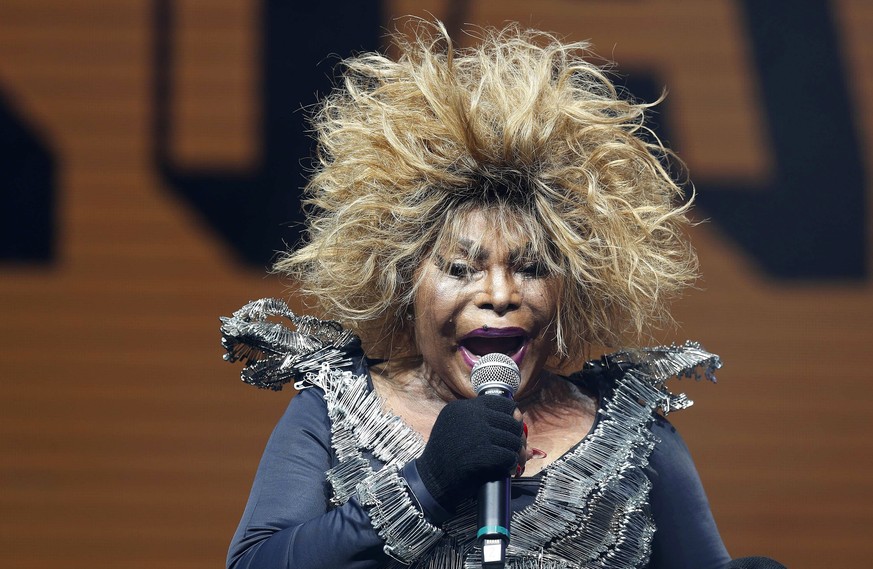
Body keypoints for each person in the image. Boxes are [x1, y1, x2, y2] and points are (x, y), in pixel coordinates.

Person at [220, 19, 735, 569]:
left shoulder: (631, 430)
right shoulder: (333, 410)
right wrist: (428, 482)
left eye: (532, 267)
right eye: (462, 267)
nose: (499, 294)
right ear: (403, 279)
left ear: (574, 287)